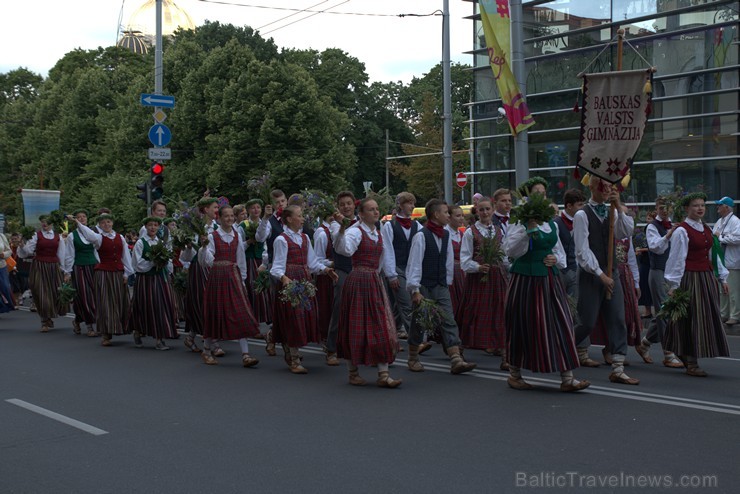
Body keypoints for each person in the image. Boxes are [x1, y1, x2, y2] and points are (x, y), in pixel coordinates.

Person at [503, 192, 589, 392]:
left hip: (549, 280)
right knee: (522, 324)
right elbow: (510, 251)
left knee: (561, 322)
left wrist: (554, 259)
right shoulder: (519, 224)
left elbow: (560, 254)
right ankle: (514, 374)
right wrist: (528, 230)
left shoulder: (552, 225)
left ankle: (568, 378)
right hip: (524, 279)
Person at [573, 175, 639, 385]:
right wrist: (600, 274)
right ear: (593, 188)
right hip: (592, 275)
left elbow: (625, 232)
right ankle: (562, 348)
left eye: (611, 187)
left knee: (618, 319)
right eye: (604, 187)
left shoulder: (612, 210)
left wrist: (618, 206)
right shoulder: (582, 215)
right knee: (586, 322)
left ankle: (618, 367)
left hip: (613, 272)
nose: (608, 191)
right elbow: (582, 251)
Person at [335, 198, 402, 388]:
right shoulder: (355, 231)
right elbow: (345, 250)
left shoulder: (378, 234)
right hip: (358, 281)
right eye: (371, 210)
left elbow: (383, 259)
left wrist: (386, 276)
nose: (375, 212)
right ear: (361, 214)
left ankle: (383, 374)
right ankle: (353, 372)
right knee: (355, 325)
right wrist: (341, 230)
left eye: (376, 209)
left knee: (380, 324)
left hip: (373, 281)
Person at [405, 199, 477, 375]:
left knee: (448, 319)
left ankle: (455, 359)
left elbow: (448, 261)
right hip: (423, 286)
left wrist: (447, 282)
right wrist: (415, 290)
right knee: (420, 322)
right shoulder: (421, 236)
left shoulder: (446, 235)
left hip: (441, 284)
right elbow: (414, 264)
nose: (448, 215)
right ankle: (413, 357)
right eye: (445, 212)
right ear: (436, 215)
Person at [664, 193, 730, 376]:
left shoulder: (705, 228)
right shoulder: (681, 231)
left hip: (706, 277)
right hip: (689, 278)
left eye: (702, 205)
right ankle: (691, 362)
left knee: (705, 318)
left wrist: (722, 278)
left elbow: (714, 255)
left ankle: (686, 354)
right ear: (687, 209)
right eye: (695, 205)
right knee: (692, 318)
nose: (700, 208)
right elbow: (677, 259)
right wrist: (674, 285)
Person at [270, 205, 337, 374]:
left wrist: (326, 270)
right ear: (290, 219)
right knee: (294, 319)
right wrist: (284, 278)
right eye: (299, 216)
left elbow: (313, 263)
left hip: (304, 280)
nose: (302, 219)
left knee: (304, 317)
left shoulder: (305, 238)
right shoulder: (282, 240)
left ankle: (288, 348)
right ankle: (293, 358)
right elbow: (277, 267)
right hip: (291, 281)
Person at [199, 205, 260, 367]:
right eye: (226, 216)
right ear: (219, 218)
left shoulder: (237, 236)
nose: (230, 218)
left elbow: (241, 260)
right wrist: (204, 246)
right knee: (215, 313)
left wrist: (243, 281)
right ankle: (206, 350)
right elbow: (206, 262)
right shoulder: (213, 236)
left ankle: (246, 354)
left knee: (240, 312)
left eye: (232, 216)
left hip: (233, 277)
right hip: (218, 277)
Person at [459, 197, 508, 365]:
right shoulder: (470, 232)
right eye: (482, 210)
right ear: (477, 211)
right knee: (472, 312)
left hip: (497, 277)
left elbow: (505, 255)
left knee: (501, 313)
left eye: (488, 209)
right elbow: (464, 260)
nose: (485, 212)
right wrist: (478, 267)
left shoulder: (498, 230)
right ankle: (460, 350)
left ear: (493, 210)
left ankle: (505, 356)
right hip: (478, 278)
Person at [636, 197, 683, 368]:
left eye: (668, 207)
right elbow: (656, 248)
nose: (665, 210)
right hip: (657, 271)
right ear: (656, 208)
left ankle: (645, 344)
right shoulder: (652, 227)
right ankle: (668, 353)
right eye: (661, 207)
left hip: (672, 273)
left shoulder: (674, 224)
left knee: (665, 312)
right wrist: (669, 234)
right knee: (665, 310)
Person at [72, 213, 133, 346]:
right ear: (99, 225)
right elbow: (88, 233)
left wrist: (126, 274)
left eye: (109, 222)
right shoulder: (98, 238)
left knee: (120, 301)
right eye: (103, 223)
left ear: (112, 223)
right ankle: (106, 334)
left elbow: (126, 256)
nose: (106, 224)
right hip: (104, 274)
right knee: (105, 302)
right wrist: (78, 223)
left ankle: (120, 327)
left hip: (117, 273)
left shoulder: (120, 237)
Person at [128, 216, 177, 350]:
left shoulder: (160, 242)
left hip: (159, 278)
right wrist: (152, 262)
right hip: (145, 280)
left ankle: (159, 338)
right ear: (146, 227)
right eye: (150, 225)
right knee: (143, 306)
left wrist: (166, 264)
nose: (153, 228)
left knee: (160, 306)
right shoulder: (140, 243)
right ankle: (137, 331)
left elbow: (168, 259)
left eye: (155, 225)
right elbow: (137, 264)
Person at [180, 197, 220, 355]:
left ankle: (191, 336)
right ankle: (214, 343)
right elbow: (185, 257)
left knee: (213, 303)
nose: (217, 210)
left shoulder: (218, 227)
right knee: (202, 303)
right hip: (199, 268)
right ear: (205, 210)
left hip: (215, 268)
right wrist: (190, 247)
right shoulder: (194, 228)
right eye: (215, 207)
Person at [325, 191, 358, 365]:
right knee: (339, 308)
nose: (346, 207)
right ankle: (331, 349)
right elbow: (339, 245)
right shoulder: (334, 225)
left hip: (361, 270)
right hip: (343, 269)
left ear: (354, 205)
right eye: (342, 204)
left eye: (348, 203)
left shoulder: (362, 223)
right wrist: (342, 225)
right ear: (338, 208)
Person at [382, 192, 420, 340]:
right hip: (397, 267)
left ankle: (392, 333)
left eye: (413, 203)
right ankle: (415, 339)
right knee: (406, 302)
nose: (412, 206)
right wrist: (391, 275)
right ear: (400, 205)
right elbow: (387, 250)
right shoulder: (390, 226)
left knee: (395, 304)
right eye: (409, 203)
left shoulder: (417, 225)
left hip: (411, 268)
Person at [18, 216, 67, 332]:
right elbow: (29, 251)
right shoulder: (36, 235)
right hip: (39, 266)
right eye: (43, 222)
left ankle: (50, 315)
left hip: (53, 267)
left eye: (47, 222)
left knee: (55, 292)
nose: (44, 224)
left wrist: (65, 270)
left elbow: (62, 254)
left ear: (51, 224)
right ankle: (44, 320)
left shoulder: (58, 236)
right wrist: (22, 245)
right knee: (41, 292)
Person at [239, 199, 272, 333]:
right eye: (253, 208)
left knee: (265, 290)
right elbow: (238, 247)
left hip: (262, 260)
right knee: (253, 290)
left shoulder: (266, 223)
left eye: (258, 207)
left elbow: (265, 239)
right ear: (248, 210)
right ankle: (252, 323)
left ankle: (264, 321)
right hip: (249, 261)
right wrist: (248, 242)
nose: (256, 210)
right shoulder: (242, 225)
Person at [63, 209, 98, 336]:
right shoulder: (73, 236)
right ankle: (90, 326)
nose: (82, 219)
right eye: (79, 217)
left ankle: (78, 320)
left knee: (95, 295)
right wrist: (67, 272)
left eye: (84, 216)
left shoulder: (93, 234)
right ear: (75, 220)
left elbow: (97, 251)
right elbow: (69, 255)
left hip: (93, 266)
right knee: (84, 296)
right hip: (79, 268)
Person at [552, 188, 586, 298]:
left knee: (575, 308)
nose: (583, 208)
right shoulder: (556, 223)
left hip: (577, 271)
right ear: (569, 206)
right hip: (560, 272)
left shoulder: (583, 221)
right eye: (580, 205)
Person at [712, 196, 740, 325]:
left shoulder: (736, 221)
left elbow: (737, 238)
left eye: (720, 205)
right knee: (722, 290)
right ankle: (723, 314)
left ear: (727, 207)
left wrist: (721, 237)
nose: (717, 207)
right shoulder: (719, 221)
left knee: (733, 291)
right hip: (720, 261)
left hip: (732, 262)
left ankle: (735, 315)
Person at [313, 211, 336, 357]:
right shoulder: (322, 234)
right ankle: (328, 341)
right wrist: (332, 263)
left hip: (340, 275)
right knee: (327, 309)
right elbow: (317, 260)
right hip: (326, 276)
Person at [446, 205, 466, 324]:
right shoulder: (445, 234)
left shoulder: (462, 234)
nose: (461, 218)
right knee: (452, 302)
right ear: (449, 217)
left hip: (462, 273)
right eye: (458, 216)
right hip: (450, 273)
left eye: (462, 215)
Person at [0, 231, 14, 314]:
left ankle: (7, 305)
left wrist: (3, 255)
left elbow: (9, 251)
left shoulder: (1, 236)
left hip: (1, 266)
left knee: (5, 287)